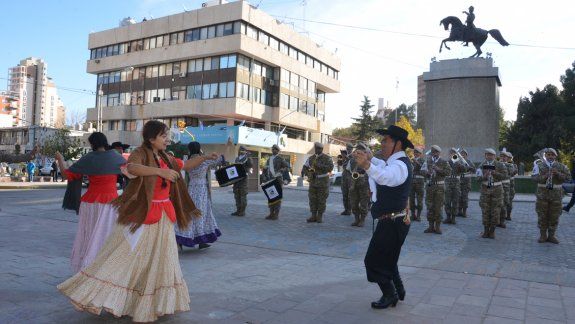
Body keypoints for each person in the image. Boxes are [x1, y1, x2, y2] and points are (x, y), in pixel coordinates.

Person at [58, 120, 207, 322]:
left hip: (162, 214)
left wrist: (206, 157)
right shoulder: (140, 153)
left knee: (161, 259)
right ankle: (101, 293)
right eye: (164, 136)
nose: (168, 139)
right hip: (142, 214)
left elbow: (186, 165)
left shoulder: (166, 156)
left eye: (167, 136)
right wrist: (159, 171)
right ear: (151, 138)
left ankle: (150, 302)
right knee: (125, 254)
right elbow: (133, 168)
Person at [354, 125, 413, 309]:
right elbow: (383, 167)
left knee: (373, 261)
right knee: (388, 258)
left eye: (386, 140)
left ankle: (390, 294)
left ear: (398, 144)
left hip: (393, 221)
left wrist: (366, 165)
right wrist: (371, 160)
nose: (382, 143)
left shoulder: (400, 165)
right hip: (392, 219)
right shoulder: (394, 162)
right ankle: (399, 291)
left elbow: (386, 177)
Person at [55, 132, 126, 272]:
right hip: (110, 204)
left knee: (88, 235)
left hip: (90, 203)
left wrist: (60, 159)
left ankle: (87, 267)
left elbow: (66, 175)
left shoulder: (88, 158)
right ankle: (105, 267)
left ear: (92, 144)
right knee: (107, 235)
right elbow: (132, 173)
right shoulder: (117, 158)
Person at [175, 141, 221, 250]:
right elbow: (219, 160)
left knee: (189, 213)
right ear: (199, 148)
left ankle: (181, 239)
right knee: (201, 213)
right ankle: (201, 240)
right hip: (202, 189)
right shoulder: (204, 160)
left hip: (191, 187)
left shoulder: (187, 161)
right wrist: (210, 155)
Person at [532, 148, 571, 243]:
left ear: (555, 156)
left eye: (552, 155)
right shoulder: (539, 166)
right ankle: (543, 235)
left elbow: (568, 178)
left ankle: (552, 235)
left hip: (556, 195)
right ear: (545, 155)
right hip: (542, 194)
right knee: (542, 215)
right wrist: (545, 175)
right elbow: (534, 178)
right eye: (548, 155)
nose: (550, 156)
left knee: (555, 215)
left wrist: (557, 173)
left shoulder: (562, 166)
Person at [477, 148, 508, 239]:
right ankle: (486, 231)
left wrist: (495, 173)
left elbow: (505, 176)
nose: (489, 156)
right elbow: (477, 179)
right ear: (485, 156)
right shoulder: (481, 165)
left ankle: (492, 231)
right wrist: (484, 176)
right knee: (485, 211)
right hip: (485, 190)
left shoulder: (500, 165)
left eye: (491, 155)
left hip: (497, 190)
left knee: (495, 211)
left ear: (494, 156)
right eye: (487, 155)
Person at [421, 145, 451, 234]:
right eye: (432, 152)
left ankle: (437, 227)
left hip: (439, 188)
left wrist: (438, 169)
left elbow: (448, 172)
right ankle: (430, 226)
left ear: (439, 153)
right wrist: (427, 172)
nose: (434, 154)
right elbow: (422, 171)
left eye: (435, 152)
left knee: (438, 207)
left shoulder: (444, 162)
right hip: (430, 186)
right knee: (429, 206)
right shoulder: (428, 161)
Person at [303, 142, 334, 223]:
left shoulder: (327, 158)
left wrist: (318, 165)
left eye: (320, 149)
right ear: (315, 149)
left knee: (321, 200)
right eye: (316, 148)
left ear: (322, 149)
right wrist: (308, 173)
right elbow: (305, 167)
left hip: (323, 182)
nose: (318, 150)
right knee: (312, 199)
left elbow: (330, 168)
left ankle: (319, 216)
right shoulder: (310, 158)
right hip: (313, 181)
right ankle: (313, 216)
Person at [262, 144, 289, 220]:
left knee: (277, 197)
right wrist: (264, 176)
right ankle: (271, 213)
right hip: (270, 180)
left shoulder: (280, 158)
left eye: (275, 149)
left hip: (278, 180)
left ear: (278, 150)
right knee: (271, 196)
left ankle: (276, 214)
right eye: (272, 149)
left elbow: (287, 167)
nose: (273, 150)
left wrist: (281, 170)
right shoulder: (269, 159)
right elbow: (265, 168)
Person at [348, 143, 371, 227]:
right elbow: (349, 170)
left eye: (360, 149)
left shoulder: (368, 159)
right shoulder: (352, 159)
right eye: (357, 149)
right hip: (354, 183)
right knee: (354, 202)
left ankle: (362, 220)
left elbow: (371, 171)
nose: (358, 151)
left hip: (364, 183)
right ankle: (356, 219)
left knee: (364, 203)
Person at [443, 148, 465, 225]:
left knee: (455, 201)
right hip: (448, 184)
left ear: (456, 154)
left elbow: (464, 169)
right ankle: (448, 217)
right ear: (449, 154)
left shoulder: (459, 162)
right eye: (451, 153)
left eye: (454, 153)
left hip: (456, 184)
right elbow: (444, 171)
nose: (453, 155)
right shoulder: (447, 162)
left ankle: (453, 218)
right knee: (447, 201)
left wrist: (459, 163)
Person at [231, 146, 253, 216]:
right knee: (237, 195)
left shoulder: (247, 158)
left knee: (243, 194)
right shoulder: (237, 158)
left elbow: (251, 165)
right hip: (237, 179)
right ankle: (238, 210)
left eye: (243, 150)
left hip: (243, 178)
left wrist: (248, 156)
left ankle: (242, 211)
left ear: (245, 151)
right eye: (240, 150)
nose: (241, 151)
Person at [457, 149, 475, 218]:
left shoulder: (469, 162)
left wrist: (469, 167)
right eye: (461, 154)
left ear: (466, 155)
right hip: (458, 181)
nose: (462, 155)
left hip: (466, 182)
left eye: (464, 154)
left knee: (464, 197)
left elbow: (474, 169)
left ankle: (464, 212)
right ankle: (459, 211)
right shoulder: (457, 162)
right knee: (458, 197)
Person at [409, 147, 425, 222]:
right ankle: (413, 214)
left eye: (417, 153)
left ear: (420, 154)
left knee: (419, 199)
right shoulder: (412, 160)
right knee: (411, 199)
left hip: (420, 182)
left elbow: (424, 169)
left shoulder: (423, 160)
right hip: (412, 182)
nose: (415, 154)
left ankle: (418, 215)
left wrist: (416, 162)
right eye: (414, 152)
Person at [340, 143, 354, 215]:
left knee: (350, 195)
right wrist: (342, 158)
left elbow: (353, 164)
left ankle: (349, 210)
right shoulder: (345, 155)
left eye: (350, 148)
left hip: (350, 178)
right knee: (344, 194)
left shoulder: (353, 156)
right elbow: (340, 164)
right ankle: (346, 209)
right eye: (348, 148)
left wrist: (346, 157)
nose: (348, 149)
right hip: (344, 177)